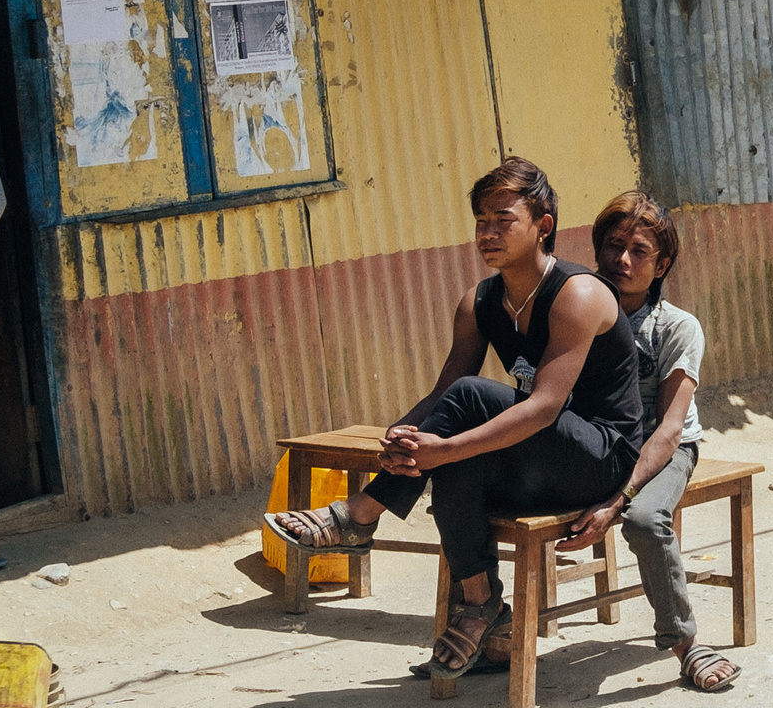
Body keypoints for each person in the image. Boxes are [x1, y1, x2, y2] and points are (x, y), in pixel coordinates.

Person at [264, 157, 644, 681]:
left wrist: (440, 446)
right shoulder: (480, 302)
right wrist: (401, 436)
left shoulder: (578, 295)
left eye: (502, 220)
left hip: (600, 460)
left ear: (543, 226)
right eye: (480, 221)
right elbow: (442, 395)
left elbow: (543, 407)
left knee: (461, 427)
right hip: (538, 459)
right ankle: (481, 604)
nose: (487, 233)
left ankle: (360, 513)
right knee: (456, 462)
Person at [553, 192, 738, 691]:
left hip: (664, 448)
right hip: (600, 443)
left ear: (662, 266)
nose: (622, 260)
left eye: (639, 251)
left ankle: (685, 642)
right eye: (613, 246)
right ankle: (491, 632)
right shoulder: (577, 313)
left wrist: (616, 500)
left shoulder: (676, 327)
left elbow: (671, 427)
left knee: (643, 518)